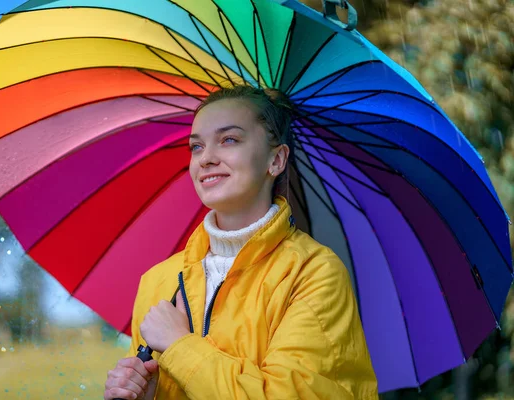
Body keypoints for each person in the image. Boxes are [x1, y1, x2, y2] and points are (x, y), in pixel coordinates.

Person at [104, 85, 378, 400]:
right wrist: (147, 393)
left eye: (229, 140)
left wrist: (180, 346)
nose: (205, 159)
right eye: (196, 146)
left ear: (276, 160)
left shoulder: (313, 273)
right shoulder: (159, 281)